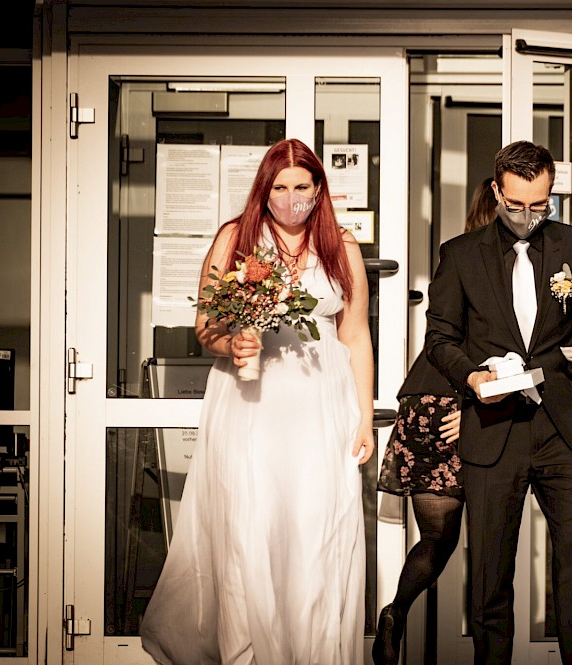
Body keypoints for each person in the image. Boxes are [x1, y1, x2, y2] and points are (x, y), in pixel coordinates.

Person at [141, 138, 375, 665]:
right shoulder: (235, 238)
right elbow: (206, 326)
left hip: (321, 404)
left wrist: (364, 418)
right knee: (252, 526)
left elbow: (355, 335)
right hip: (253, 402)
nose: (291, 198)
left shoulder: (342, 245)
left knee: (317, 529)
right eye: (280, 188)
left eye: (301, 187)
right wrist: (233, 341)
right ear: (264, 190)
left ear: (318, 190)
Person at [425, 141, 572, 665]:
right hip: (493, 427)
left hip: (565, 431)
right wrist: (472, 377)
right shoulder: (459, 255)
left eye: (540, 205)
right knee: (489, 573)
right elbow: (439, 339)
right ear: (496, 191)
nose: (528, 218)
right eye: (516, 205)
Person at [371, 175, 498, 665]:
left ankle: (396, 613)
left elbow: (440, 338)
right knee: (488, 537)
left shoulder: (457, 257)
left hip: (424, 400)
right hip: (464, 401)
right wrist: (467, 408)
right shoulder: (500, 267)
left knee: (438, 538)